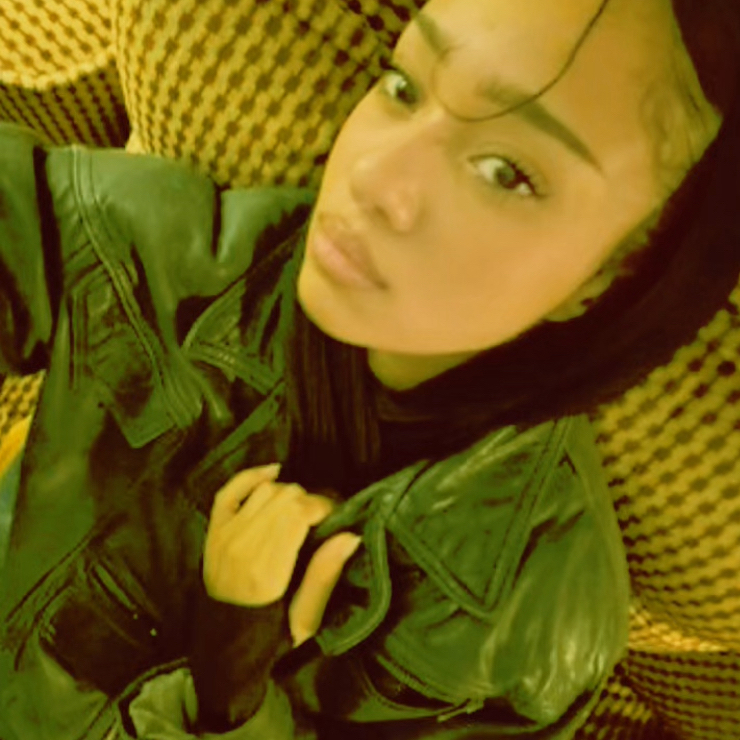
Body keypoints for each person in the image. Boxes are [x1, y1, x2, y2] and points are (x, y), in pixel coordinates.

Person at [0, 0, 738, 738]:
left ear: (612, 276)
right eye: (403, 87)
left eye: (506, 172)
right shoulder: (174, 264)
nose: (373, 176)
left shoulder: (526, 610)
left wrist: (232, 674)